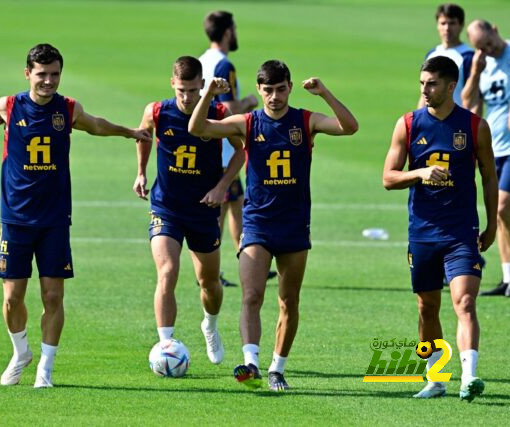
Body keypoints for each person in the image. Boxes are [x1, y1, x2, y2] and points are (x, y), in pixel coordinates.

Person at [0, 44, 151, 388]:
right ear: (28, 74)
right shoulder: (10, 106)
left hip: (54, 219)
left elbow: (96, 125)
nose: (49, 81)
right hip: (16, 218)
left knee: (52, 296)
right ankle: (21, 352)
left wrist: (129, 132)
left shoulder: (68, 108)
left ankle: (45, 369)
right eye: (42, 74)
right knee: (11, 298)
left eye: (55, 74)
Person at [189, 60, 358, 391]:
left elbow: (349, 127)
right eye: (268, 90)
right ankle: (250, 362)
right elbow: (198, 128)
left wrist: (325, 93)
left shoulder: (305, 121)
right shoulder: (248, 123)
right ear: (259, 90)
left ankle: (277, 368)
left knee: (288, 301)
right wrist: (207, 92)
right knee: (251, 295)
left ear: (290, 88)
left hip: (294, 225)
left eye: (281, 90)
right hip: (257, 224)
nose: (275, 97)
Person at [383, 56, 497, 401]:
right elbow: (388, 178)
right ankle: (435, 378)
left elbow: (490, 177)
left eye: (431, 84)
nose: (424, 90)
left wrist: (492, 225)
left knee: (464, 301)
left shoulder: (475, 126)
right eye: (421, 83)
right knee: (426, 307)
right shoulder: (407, 124)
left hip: (461, 232)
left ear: (451, 86)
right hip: (422, 232)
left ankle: (469, 377)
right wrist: (419, 173)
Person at [132, 56, 245, 364]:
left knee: (209, 281)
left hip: (204, 209)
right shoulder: (157, 111)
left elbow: (241, 151)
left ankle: (210, 324)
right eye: (181, 90)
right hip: (166, 206)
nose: (186, 97)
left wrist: (222, 187)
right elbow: (143, 136)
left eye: (193, 90)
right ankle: (166, 347)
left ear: (202, 86)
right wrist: (141, 171)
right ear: (173, 84)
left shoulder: (218, 112)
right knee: (167, 272)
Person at [198, 11, 262, 287]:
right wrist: (249, 102)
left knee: (237, 203)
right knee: (221, 208)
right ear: (226, 32)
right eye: (234, 28)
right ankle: (211, 271)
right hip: (223, 148)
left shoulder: (202, 60)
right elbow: (228, 109)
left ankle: (246, 258)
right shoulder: (224, 65)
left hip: (210, 143)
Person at [462, 20, 510, 298]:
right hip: (494, 148)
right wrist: (474, 71)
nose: (487, 49)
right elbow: (468, 101)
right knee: (500, 211)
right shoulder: (483, 66)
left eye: (488, 43)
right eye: (480, 47)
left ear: (495, 29)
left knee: (503, 208)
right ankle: (509, 277)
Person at [417, 4, 474, 109]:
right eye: (443, 23)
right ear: (437, 25)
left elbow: (473, 97)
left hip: (456, 120)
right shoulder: (432, 54)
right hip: (431, 119)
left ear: (461, 25)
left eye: (452, 23)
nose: (447, 28)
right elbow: (424, 93)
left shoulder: (468, 56)